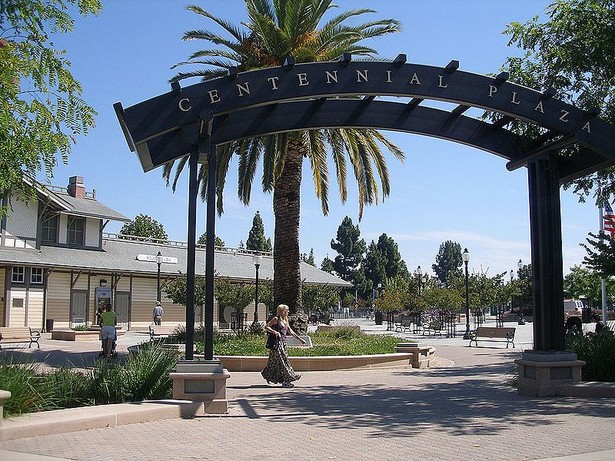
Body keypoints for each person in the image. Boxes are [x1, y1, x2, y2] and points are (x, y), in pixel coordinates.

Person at [261, 304, 307, 388]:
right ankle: (287, 380)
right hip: (276, 344)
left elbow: (291, 332)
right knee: (283, 362)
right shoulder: (276, 319)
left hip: (283, 344)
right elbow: (266, 327)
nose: (288, 311)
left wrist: (300, 340)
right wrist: (274, 332)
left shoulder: (285, 320)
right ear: (282, 310)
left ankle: (268, 374)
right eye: (287, 310)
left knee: (275, 363)